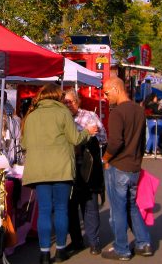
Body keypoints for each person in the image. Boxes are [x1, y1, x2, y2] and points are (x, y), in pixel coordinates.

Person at [22, 84, 97, 264]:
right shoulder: (63, 113)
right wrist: (88, 132)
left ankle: (44, 253)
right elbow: (75, 139)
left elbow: (24, 144)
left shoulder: (31, 116)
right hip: (61, 168)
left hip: (39, 169)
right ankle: (61, 250)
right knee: (61, 209)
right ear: (56, 96)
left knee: (44, 211)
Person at [100, 77, 153, 260]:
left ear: (116, 89)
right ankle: (143, 243)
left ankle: (121, 248)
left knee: (118, 209)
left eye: (107, 93)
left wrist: (105, 158)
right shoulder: (139, 110)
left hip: (119, 166)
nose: (106, 97)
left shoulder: (117, 112)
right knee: (132, 206)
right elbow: (142, 140)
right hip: (134, 166)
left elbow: (115, 142)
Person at [63, 89, 106, 255]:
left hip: (87, 167)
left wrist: (89, 136)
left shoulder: (89, 116)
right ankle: (76, 241)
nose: (68, 105)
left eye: (71, 101)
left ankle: (94, 242)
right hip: (68, 168)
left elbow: (103, 138)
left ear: (78, 101)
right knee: (70, 207)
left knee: (90, 205)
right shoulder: (61, 118)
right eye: (65, 102)